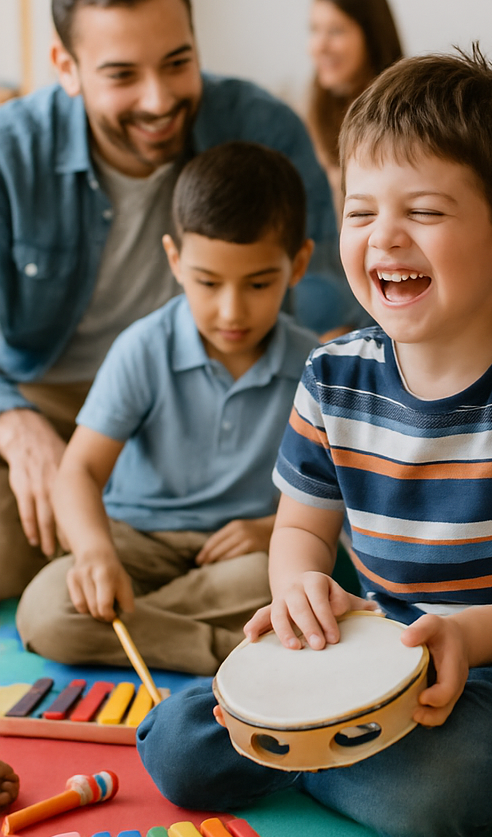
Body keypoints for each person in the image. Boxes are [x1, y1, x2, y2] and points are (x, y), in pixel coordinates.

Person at [136, 48, 492, 837]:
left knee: (433, 800)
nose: (384, 238)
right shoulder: (334, 376)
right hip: (369, 646)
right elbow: (301, 530)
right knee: (175, 746)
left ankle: (304, 754)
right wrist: (299, 586)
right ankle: (321, 748)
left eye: (426, 213)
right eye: (361, 211)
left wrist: (468, 637)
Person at [0, 0, 359, 601]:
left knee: (277, 560)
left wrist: (321, 367)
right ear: (67, 66)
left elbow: (331, 288)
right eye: (121, 75)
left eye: (177, 62)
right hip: (47, 396)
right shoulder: (10, 153)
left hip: (210, 387)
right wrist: (12, 421)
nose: (160, 99)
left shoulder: (262, 128)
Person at [15, 143, 319, 675]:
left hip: (236, 555)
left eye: (258, 283)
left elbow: (337, 496)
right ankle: (230, 654)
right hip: (135, 538)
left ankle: (124, 624)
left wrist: (271, 529)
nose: (231, 310)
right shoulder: (144, 347)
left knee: (264, 581)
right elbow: (79, 471)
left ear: (297, 266)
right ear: (175, 261)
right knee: (45, 610)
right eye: (207, 282)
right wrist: (92, 553)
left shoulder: (314, 365)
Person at [306, 0, 403, 210]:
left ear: (372, 36)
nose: (319, 46)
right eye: (314, 29)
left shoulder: (402, 112)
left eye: (336, 31)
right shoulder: (317, 104)